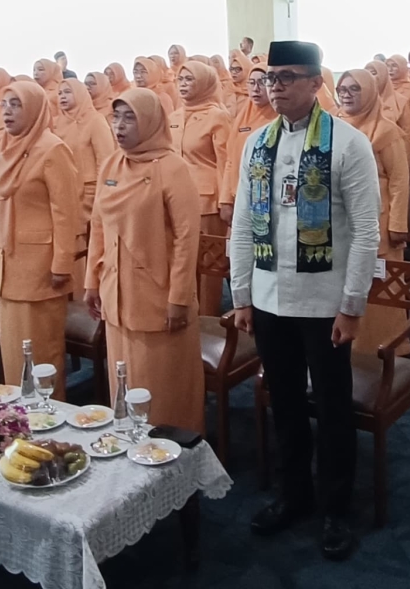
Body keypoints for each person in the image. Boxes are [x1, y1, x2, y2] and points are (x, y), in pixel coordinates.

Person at [228, 40, 379, 560]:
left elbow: (366, 232)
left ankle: (336, 509)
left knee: (333, 408)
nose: (277, 87)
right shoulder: (257, 143)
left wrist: (352, 303)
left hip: (324, 303)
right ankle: (294, 495)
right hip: (269, 298)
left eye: (289, 77)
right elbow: (242, 224)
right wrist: (242, 295)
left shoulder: (348, 143)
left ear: (317, 83)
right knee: (285, 402)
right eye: (272, 78)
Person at [84, 87, 204, 431]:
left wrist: (179, 298)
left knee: (161, 390)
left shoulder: (173, 168)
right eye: (116, 117)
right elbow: (98, 226)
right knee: (123, 381)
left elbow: (186, 239)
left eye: (130, 118)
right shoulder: (112, 164)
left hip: (158, 297)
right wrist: (92, 281)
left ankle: (174, 450)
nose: (119, 126)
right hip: (117, 292)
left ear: (150, 121)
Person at [0, 79, 81, 385]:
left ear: (35, 109)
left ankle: (47, 407)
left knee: (40, 347)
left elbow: (66, 212)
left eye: (16, 105)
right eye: (4, 104)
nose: (7, 112)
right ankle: (16, 405)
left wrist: (62, 263)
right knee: (13, 346)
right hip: (6, 260)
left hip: (39, 266)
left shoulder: (52, 149)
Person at [335, 69, 410, 355]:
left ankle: (386, 349)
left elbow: (400, 180)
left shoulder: (386, 131)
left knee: (380, 289)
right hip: (342, 220)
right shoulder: (332, 125)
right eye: (342, 89)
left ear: (368, 92)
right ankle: (348, 345)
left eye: (354, 89)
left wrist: (397, 224)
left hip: (379, 223)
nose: (347, 95)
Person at [170, 59, 233, 314]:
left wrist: (226, 200)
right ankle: (185, 314)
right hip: (176, 198)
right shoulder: (174, 116)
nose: (183, 84)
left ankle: (208, 318)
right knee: (182, 260)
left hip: (207, 201)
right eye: (181, 79)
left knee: (209, 265)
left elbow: (227, 162)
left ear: (205, 83)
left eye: (190, 79)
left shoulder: (218, 116)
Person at [52, 75, 117, 296]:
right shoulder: (56, 123)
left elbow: (105, 161)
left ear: (80, 94)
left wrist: (100, 194)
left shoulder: (95, 121)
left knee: (82, 242)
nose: (62, 97)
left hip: (88, 193)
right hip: (62, 191)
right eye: (60, 93)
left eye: (67, 92)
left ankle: (82, 293)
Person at [218, 65, 276, 225]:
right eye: (251, 83)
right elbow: (230, 160)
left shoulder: (281, 118)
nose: (256, 89)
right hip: (240, 195)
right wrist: (226, 200)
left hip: (270, 198)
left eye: (262, 82)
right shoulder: (242, 119)